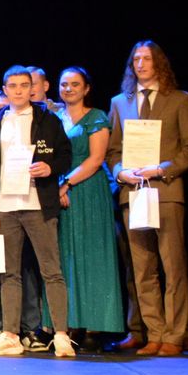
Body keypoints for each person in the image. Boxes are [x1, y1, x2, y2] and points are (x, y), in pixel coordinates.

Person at [106, 40, 188, 356]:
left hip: (165, 191)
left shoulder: (179, 100)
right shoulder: (120, 102)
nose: (141, 64)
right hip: (133, 193)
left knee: (173, 267)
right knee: (142, 269)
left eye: (146, 58)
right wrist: (121, 172)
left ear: (159, 62)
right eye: (136, 59)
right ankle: (154, 333)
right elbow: (113, 150)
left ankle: (174, 335)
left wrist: (161, 169)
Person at [0, 67, 77, 358]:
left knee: (51, 271)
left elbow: (65, 155)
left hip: (38, 204)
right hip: (6, 206)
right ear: (5, 89)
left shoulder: (47, 119)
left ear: (32, 88)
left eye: (24, 85)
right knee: (9, 273)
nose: (19, 90)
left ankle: (61, 335)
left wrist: (50, 168)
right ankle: (10, 335)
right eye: (13, 85)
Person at [49, 68, 124, 349]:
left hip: (88, 191)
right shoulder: (54, 118)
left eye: (75, 84)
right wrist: (57, 186)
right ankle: (71, 323)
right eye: (64, 84)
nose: (68, 89)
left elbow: (95, 159)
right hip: (60, 192)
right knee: (67, 257)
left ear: (87, 88)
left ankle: (95, 326)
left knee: (93, 257)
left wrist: (66, 184)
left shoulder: (96, 117)